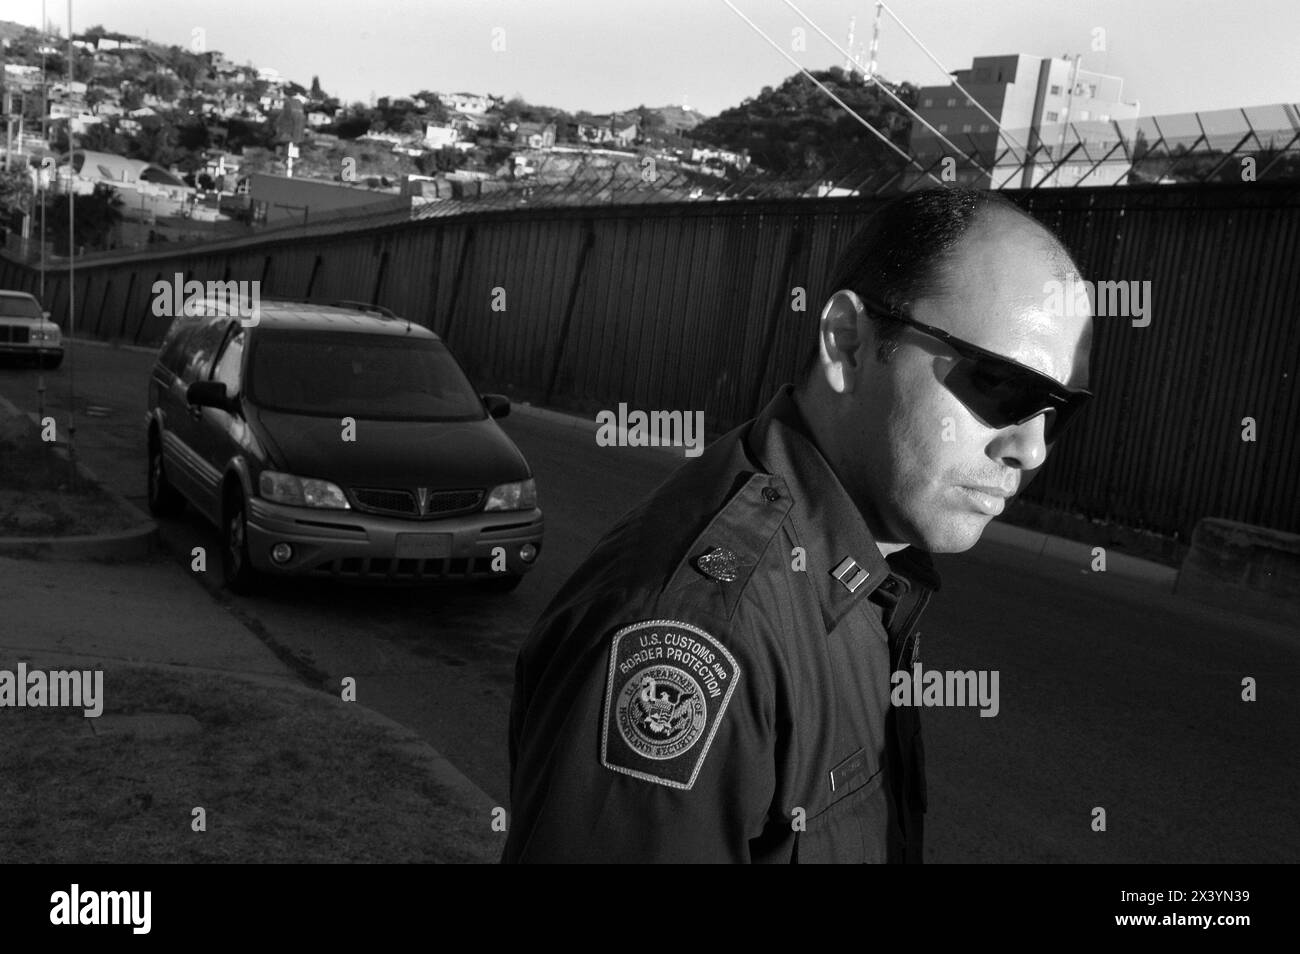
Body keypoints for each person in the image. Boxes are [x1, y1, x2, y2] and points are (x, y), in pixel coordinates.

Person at [502, 187, 1095, 863]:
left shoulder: (867, 574)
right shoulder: (703, 632)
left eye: (1059, 411)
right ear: (846, 343)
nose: (1032, 449)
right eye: (1001, 388)